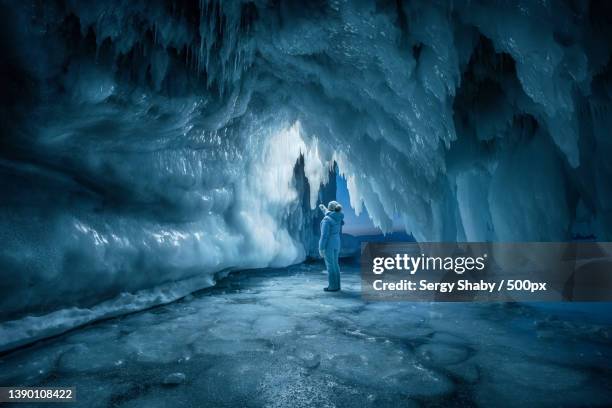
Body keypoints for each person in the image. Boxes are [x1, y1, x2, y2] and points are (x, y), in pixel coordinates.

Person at [318, 200, 344, 291]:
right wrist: (323, 208)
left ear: (330, 208)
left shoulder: (326, 220)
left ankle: (332, 287)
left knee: (330, 266)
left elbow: (324, 235)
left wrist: (321, 248)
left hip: (329, 244)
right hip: (337, 243)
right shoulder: (338, 217)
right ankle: (337, 285)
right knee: (335, 264)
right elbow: (329, 213)